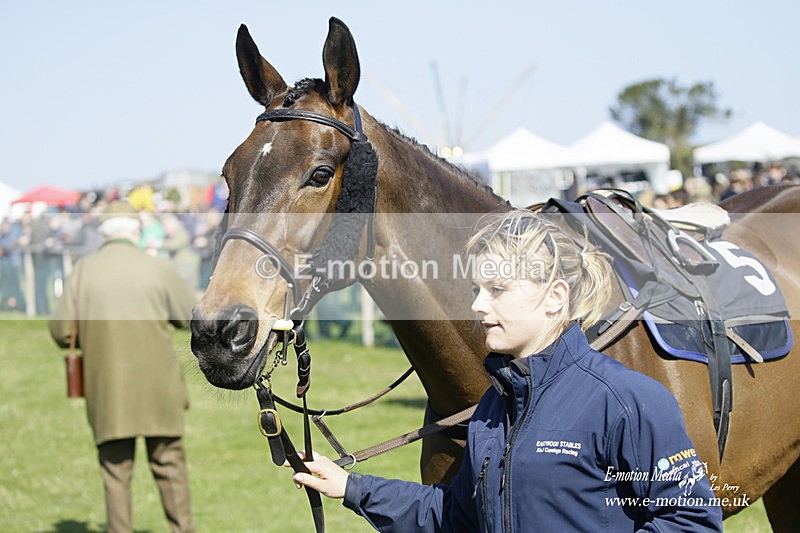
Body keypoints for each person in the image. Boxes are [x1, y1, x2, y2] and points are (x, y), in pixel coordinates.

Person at [288, 210, 723, 531]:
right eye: (477, 289)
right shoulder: (492, 409)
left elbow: (692, 523)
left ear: (555, 297)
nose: (478, 305)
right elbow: (454, 515)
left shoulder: (629, 403)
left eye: (497, 290)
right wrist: (351, 487)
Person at [49, 201, 197, 533]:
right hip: (160, 387)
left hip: (108, 388)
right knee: (170, 465)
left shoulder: (83, 271)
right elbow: (190, 316)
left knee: (116, 471)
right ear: (136, 230)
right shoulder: (158, 267)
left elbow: (62, 332)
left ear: (103, 233)